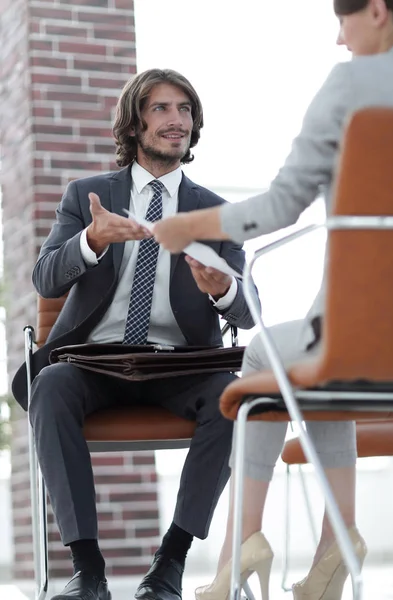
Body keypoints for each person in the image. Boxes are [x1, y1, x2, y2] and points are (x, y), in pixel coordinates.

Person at [153, 1, 393, 598]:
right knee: (315, 365)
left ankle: (242, 545)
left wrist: (190, 227)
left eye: (342, 21)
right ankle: (332, 546)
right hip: (371, 340)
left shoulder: (353, 86)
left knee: (267, 351)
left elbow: (281, 204)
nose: (340, 41)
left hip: (360, 337)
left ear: (375, 10)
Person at [11, 68, 258, 600]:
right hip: (95, 362)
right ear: (134, 122)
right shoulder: (88, 195)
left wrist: (222, 290)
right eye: (162, 109)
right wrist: (90, 241)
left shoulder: (217, 213)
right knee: (50, 386)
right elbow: (45, 277)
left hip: (180, 365)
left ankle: (170, 562)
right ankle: (88, 571)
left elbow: (248, 311)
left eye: (185, 110)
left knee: (231, 397)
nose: (177, 121)